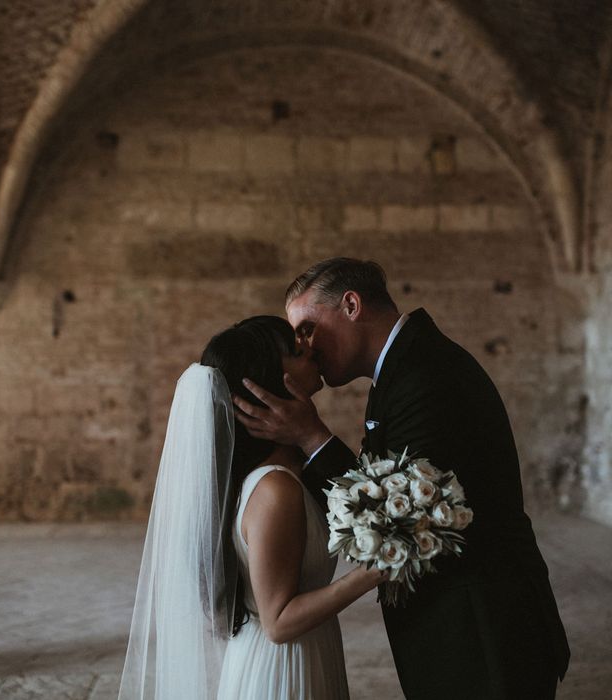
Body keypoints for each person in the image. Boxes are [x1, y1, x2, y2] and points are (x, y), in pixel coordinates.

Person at [234, 258, 571, 700]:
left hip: (482, 627)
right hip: (460, 625)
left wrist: (311, 435)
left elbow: (403, 515)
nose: (306, 347)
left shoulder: (426, 374)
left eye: (308, 328)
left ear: (351, 305)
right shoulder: (402, 370)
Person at [114, 316, 382, 700]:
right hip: (285, 668)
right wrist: (374, 572)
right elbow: (278, 621)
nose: (310, 349)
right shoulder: (275, 489)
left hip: (300, 654)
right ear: (270, 382)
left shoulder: (285, 474)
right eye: (295, 350)